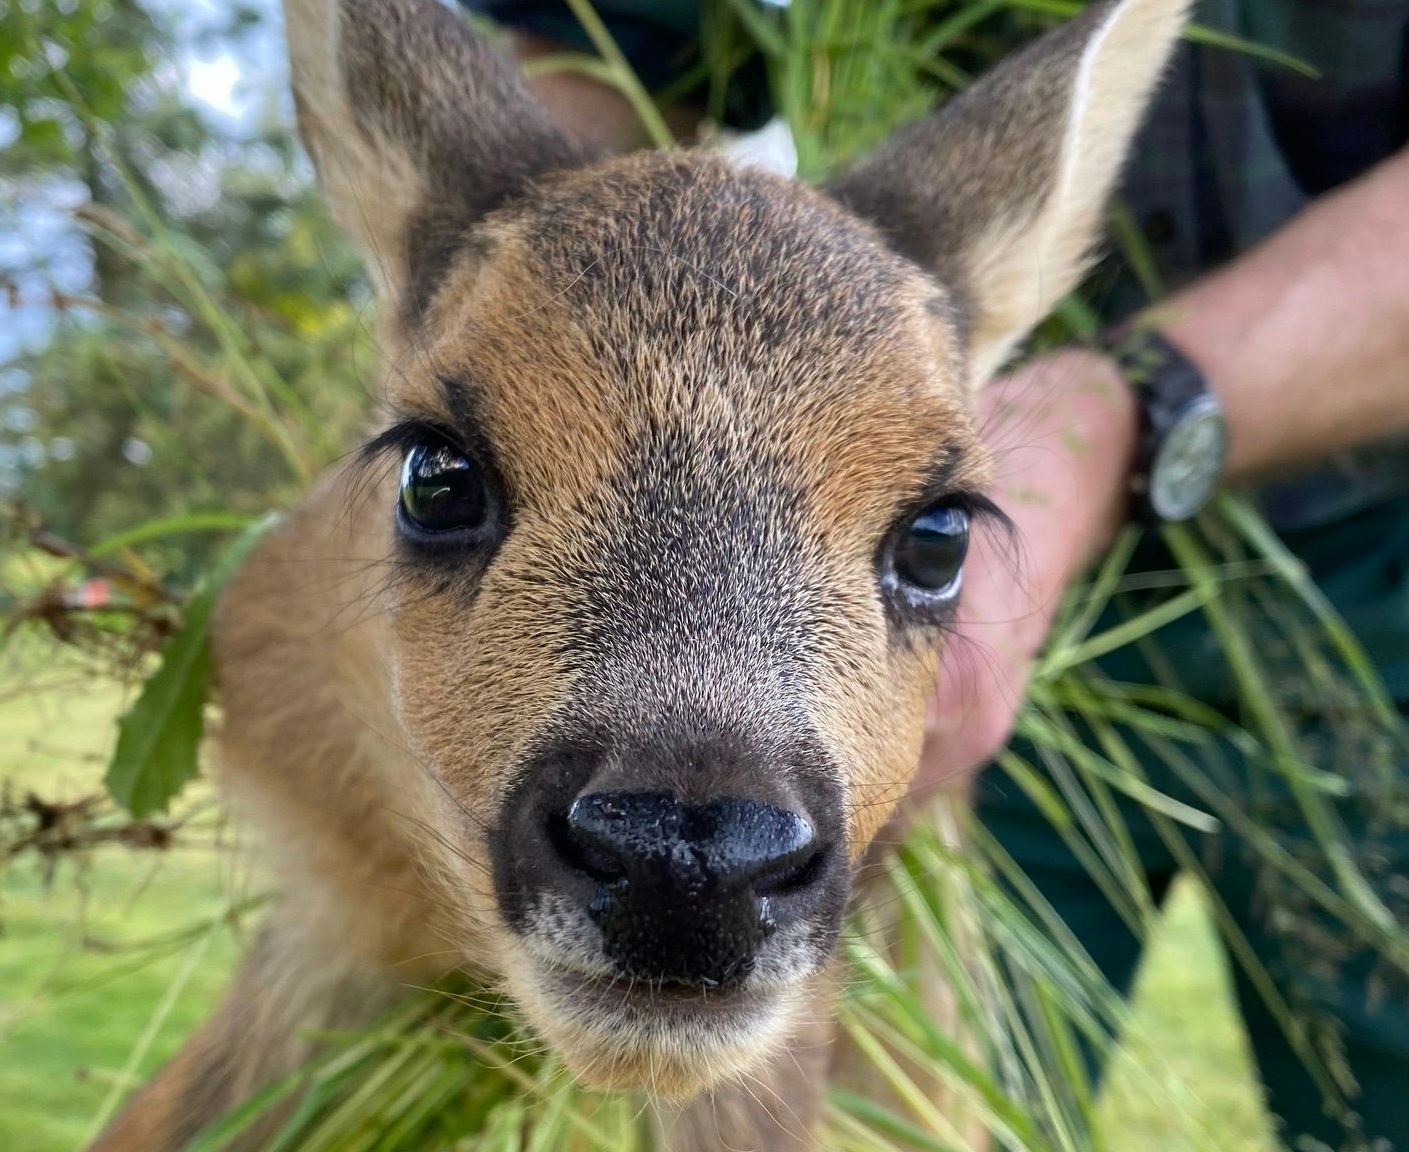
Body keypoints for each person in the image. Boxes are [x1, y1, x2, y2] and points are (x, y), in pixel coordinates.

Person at [466, 1, 1409, 1145]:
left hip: (1370, 597)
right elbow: (608, 60)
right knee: (927, 1109)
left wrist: (1118, 412)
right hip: (959, 670)